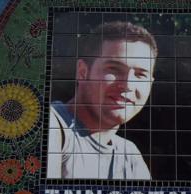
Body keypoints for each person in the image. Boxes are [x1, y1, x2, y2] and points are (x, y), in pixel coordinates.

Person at [47, 21, 157, 180]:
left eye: (141, 75)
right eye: (114, 69)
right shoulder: (50, 126)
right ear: (83, 72)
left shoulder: (130, 157)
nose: (128, 85)